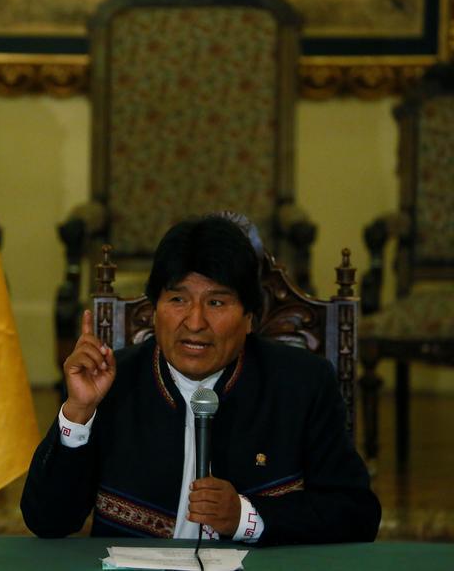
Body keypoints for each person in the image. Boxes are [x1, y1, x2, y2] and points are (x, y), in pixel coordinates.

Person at [21, 215, 381, 545]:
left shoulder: (302, 385)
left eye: (216, 303)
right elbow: (47, 521)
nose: (194, 322)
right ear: (154, 310)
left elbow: (357, 514)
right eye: (178, 299)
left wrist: (246, 518)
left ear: (249, 318)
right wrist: (78, 413)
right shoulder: (112, 383)